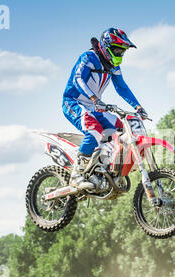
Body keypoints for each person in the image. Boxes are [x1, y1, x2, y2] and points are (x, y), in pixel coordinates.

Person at [62, 28, 148, 190]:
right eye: (117, 49)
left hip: (94, 105)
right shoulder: (89, 57)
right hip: (73, 101)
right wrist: (94, 99)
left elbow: (122, 88)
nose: (120, 54)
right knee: (95, 131)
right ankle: (76, 175)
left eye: (122, 51)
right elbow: (78, 78)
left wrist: (138, 106)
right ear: (107, 46)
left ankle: (101, 167)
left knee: (122, 129)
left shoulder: (113, 66)